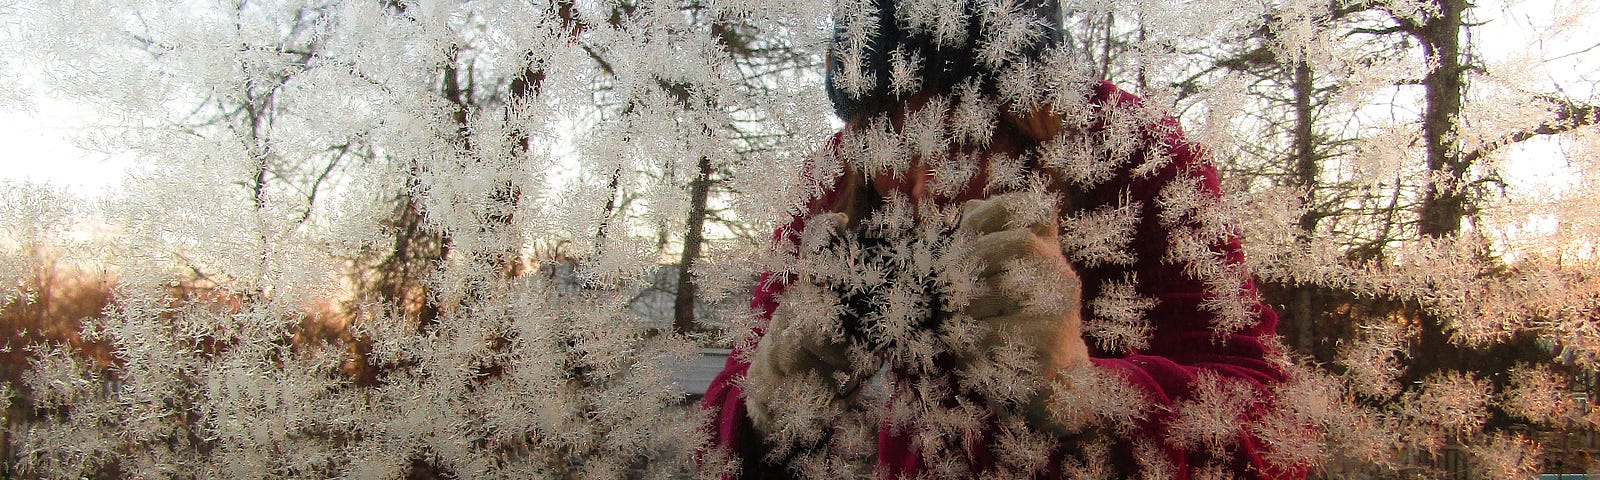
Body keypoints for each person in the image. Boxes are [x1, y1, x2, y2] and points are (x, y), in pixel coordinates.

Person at [701, 0, 1305, 478]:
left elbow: (1276, 430)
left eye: (962, 137)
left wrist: (1087, 398)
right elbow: (713, 434)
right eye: (892, 138)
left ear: (1031, 114)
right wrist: (765, 410)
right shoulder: (837, 183)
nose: (923, 184)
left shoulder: (1135, 161)